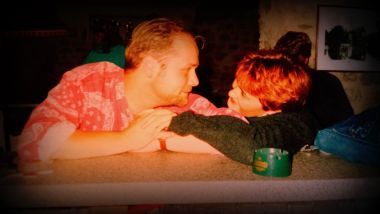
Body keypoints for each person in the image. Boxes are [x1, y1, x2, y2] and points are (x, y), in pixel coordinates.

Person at [17, 18, 245, 169]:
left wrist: (161, 140)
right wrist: (127, 139)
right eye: (187, 70)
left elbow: (244, 136)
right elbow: (35, 140)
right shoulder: (88, 83)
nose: (195, 81)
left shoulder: (188, 104)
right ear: (150, 67)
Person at [168, 50, 319, 165]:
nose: (231, 92)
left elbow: (253, 147)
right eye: (236, 84)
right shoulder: (258, 112)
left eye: (243, 93)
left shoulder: (297, 125)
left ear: (273, 108)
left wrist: (172, 122)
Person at [274, 31, 354, 129]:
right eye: (284, 60)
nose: (289, 64)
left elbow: (346, 121)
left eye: (293, 59)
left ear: (306, 59)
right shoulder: (274, 81)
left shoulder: (328, 82)